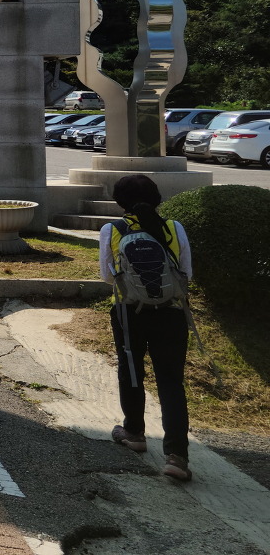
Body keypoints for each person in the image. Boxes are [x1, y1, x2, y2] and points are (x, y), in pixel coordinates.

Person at [99, 174, 193, 482]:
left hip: (129, 313)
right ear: (156, 198)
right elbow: (186, 273)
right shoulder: (174, 228)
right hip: (171, 313)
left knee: (131, 371)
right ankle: (177, 457)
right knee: (171, 382)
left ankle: (134, 433)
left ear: (120, 202)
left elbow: (108, 277)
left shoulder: (112, 230)